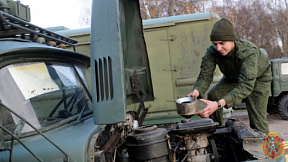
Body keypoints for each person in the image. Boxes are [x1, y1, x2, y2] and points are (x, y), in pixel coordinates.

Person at [187, 18, 272, 134]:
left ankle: (264, 147)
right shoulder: (212, 52)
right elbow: (205, 75)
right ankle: (217, 133)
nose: (218, 48)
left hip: (258, 79)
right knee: (214, 95)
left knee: (258, 122)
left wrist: (218, 104)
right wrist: (196, 91)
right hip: (233, 77)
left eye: (222, 43)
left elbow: (246, 86)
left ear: (232, 40)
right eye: (215, 44)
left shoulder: (248, 52)